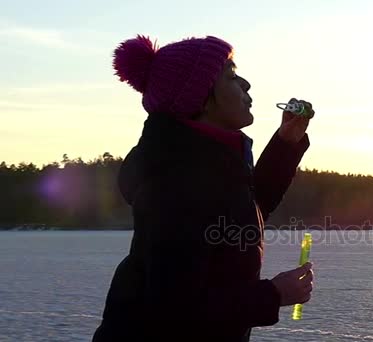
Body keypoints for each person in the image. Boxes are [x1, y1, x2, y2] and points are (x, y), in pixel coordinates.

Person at [92, 34, 315, 342]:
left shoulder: (201, 161)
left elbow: (247, 208)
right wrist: (273, 294)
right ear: (200, 97)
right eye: (232, 76)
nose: (246, 85)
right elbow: (175, 309)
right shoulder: (175, 182)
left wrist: (285, 145)